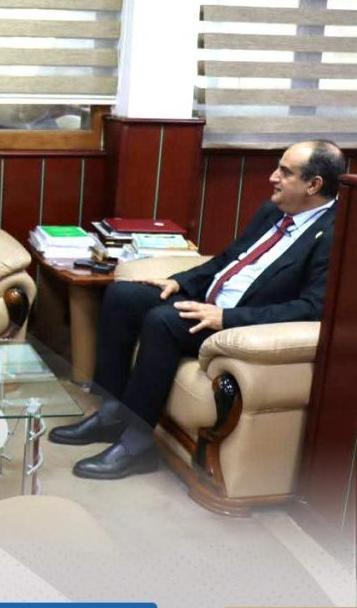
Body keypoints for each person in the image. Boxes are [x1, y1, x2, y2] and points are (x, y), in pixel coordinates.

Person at [49, 140, 346, 479]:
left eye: (285, 172)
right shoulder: (273, 211)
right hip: (210, 303)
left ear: (313, 185)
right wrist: (179, 282)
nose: (272, 177)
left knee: (163, 321)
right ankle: (112, 412)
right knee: (123, 295)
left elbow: (312, 308)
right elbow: (228, 259)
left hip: (241, 322)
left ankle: (137, 444)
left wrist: (226, 318)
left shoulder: (335, 235)